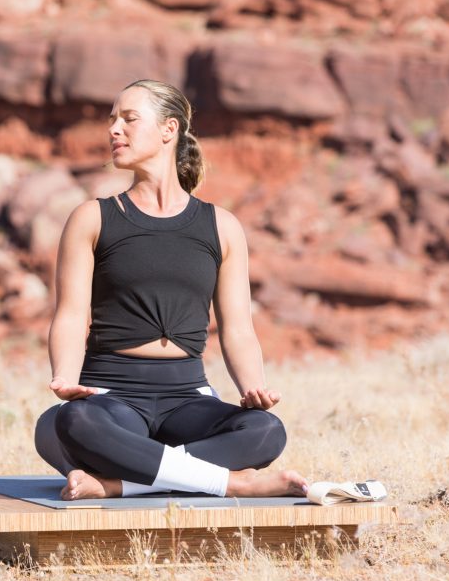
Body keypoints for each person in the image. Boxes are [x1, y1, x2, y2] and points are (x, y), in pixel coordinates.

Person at [34, 79, 310, 501]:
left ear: (169, 129)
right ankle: (233, 483)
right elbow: (71, 314)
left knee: (265, 432)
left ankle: (117, 484)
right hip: (109, 394)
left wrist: (253, 387)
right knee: (69, 424)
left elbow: (237, 328)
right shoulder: (92, 218)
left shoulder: (221, 226)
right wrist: (65, 377)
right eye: (112, 121)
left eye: (129, 119)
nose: (114, 130)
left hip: (187, 396)